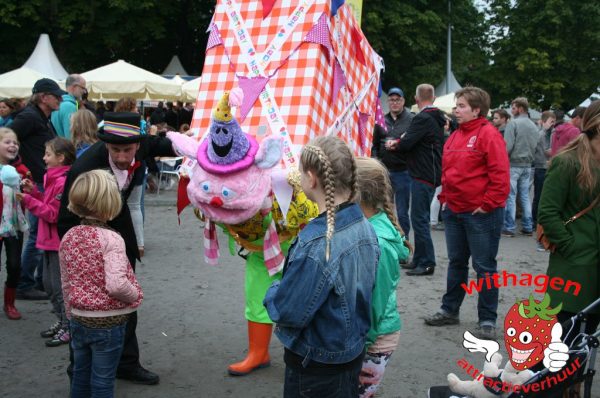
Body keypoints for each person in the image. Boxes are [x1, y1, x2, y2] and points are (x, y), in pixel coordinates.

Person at [58, 111, 177, 385]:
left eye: (127, 149)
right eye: (115, 150)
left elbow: (167, 144)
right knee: (84, 306)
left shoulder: (143, 144)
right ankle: (78, 368)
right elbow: (65, 218)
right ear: (106, 146)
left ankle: (126, 364)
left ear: (138, 144)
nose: (122, 156)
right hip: (85, 242)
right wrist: (80, 255)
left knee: (125, 307)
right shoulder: (84, 168)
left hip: (119, 235)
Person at [264, 136, 380, 398]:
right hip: (350, 352)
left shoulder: (316, 244)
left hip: (317, 364)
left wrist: (274, 291)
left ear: (311, 178)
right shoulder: (364, 225)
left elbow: (288, 311)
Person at [424, 87, 510, 340]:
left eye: (461, 106)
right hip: (455, 210)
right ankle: (450, 310)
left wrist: (488, 203)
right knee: (457, 263)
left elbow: (500, 175)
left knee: (484, 267)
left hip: (481, 213)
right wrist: (444, 199)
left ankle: (487, 319)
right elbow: (448, 171)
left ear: (476, 110)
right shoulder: (454, 136)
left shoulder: (488, 135)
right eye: (456, 105)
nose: (456, 110)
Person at [60, 169, 143, 398]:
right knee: (103, 381)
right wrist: (135, 294)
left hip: (78, 318)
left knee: (80, 374)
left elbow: (66, 282)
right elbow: (116, 284)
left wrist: (70, 313)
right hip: (108, 322)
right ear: (110, 203)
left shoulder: (69, 236)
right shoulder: (112, 239)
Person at [537, 100, 600, 345]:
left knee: (589, 340)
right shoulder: (568, 161)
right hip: (574, 265)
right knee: (563, 339)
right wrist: (571, 247)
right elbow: (548, 213)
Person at [355, 157, 410, 398]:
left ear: (355, 193)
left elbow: (375, 301)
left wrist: (361, 343)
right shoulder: (369, 224)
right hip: (369, 334)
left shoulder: (379, 243)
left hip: (375, 338)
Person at [17, 137, 76, 345]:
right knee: (50, 285)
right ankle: (61, 321)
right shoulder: (54, 178)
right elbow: (48, 204)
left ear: (60, 158)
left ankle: (68, 326)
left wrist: (29, 201)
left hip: (56, 242)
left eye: (48, 154)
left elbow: (53, 214)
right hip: (49, 241)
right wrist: (34, 193)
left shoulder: (61, 182)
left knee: (58, 287)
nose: (44, 157)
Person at [11, 78, 66, 300]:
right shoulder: (29, 117)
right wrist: (19, 166)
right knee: (37, 234)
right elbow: (6, 139)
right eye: (56, 95)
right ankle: (25, 283)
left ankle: (37, 281)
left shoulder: (41, 117)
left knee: (40, 233)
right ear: (44, 97)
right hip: (36, 180)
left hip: (42, 179)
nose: (60, 99)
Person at [393, 83, 446, 276]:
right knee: (419, 218)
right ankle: (419, 259)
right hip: (428, 173)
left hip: (422, 174)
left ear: (416, 99)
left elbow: (407, 143)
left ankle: (427, 262)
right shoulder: (436, 117)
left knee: (419, 220)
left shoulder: (423, 118)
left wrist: (396, 143)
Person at [371, 87, 414, 237]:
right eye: (391, 99)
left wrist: (399, 144)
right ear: (388, 101)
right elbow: (374, 144)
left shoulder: (411, 119)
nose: (394, 103)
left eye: (398, 99)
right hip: (385, 172)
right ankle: (390, 241)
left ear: (403, 101)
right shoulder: (381, 120)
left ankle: (404, 244)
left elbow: (414, 144)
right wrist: (377, 161)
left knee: (402, 212)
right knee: (385, 209)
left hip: (403, 171)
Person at [0, 128, 30, 319]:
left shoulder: (21, 169)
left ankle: (9, 303)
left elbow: (28, 196)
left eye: (15, 143)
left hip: (15, 224)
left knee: (14, 264)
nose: (13, 146)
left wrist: (27, 188)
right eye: (7, 142)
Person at [502, 97, 539, 237]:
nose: (511, 111)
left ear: (520, 108)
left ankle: (509, 227)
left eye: (513, 108)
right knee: (524, 196)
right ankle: (528, 227)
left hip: (513, 164)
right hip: (528, 165)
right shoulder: (534, 125)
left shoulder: (513, 124)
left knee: (510, 196)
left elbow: (508, 147)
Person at [114, 98, 146, 257]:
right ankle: (138, 243)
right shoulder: (139, 126)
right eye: (135, 109)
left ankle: (136, 242)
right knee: (134, 206)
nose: (138, 112)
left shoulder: (113, 126)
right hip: (136, 165)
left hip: (132, 166)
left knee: (131, 205)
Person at [532, 110, 556, 244]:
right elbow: (548, 151)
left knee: (541, 195)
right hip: (541, 166)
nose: (553, 124)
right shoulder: (543, 134)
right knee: (539, 195)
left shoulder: (550, 133)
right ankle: (536, 221)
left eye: (554, 121)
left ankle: (537, 220)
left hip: (545, 166)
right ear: (544, 121)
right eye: (551, 121)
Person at [51, 74, 87, 139]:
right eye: (83, 88)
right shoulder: (69, 106)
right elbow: (71, 138)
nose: (84, 91)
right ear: (74, 87)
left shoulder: (59, 104)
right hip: (67, 148)